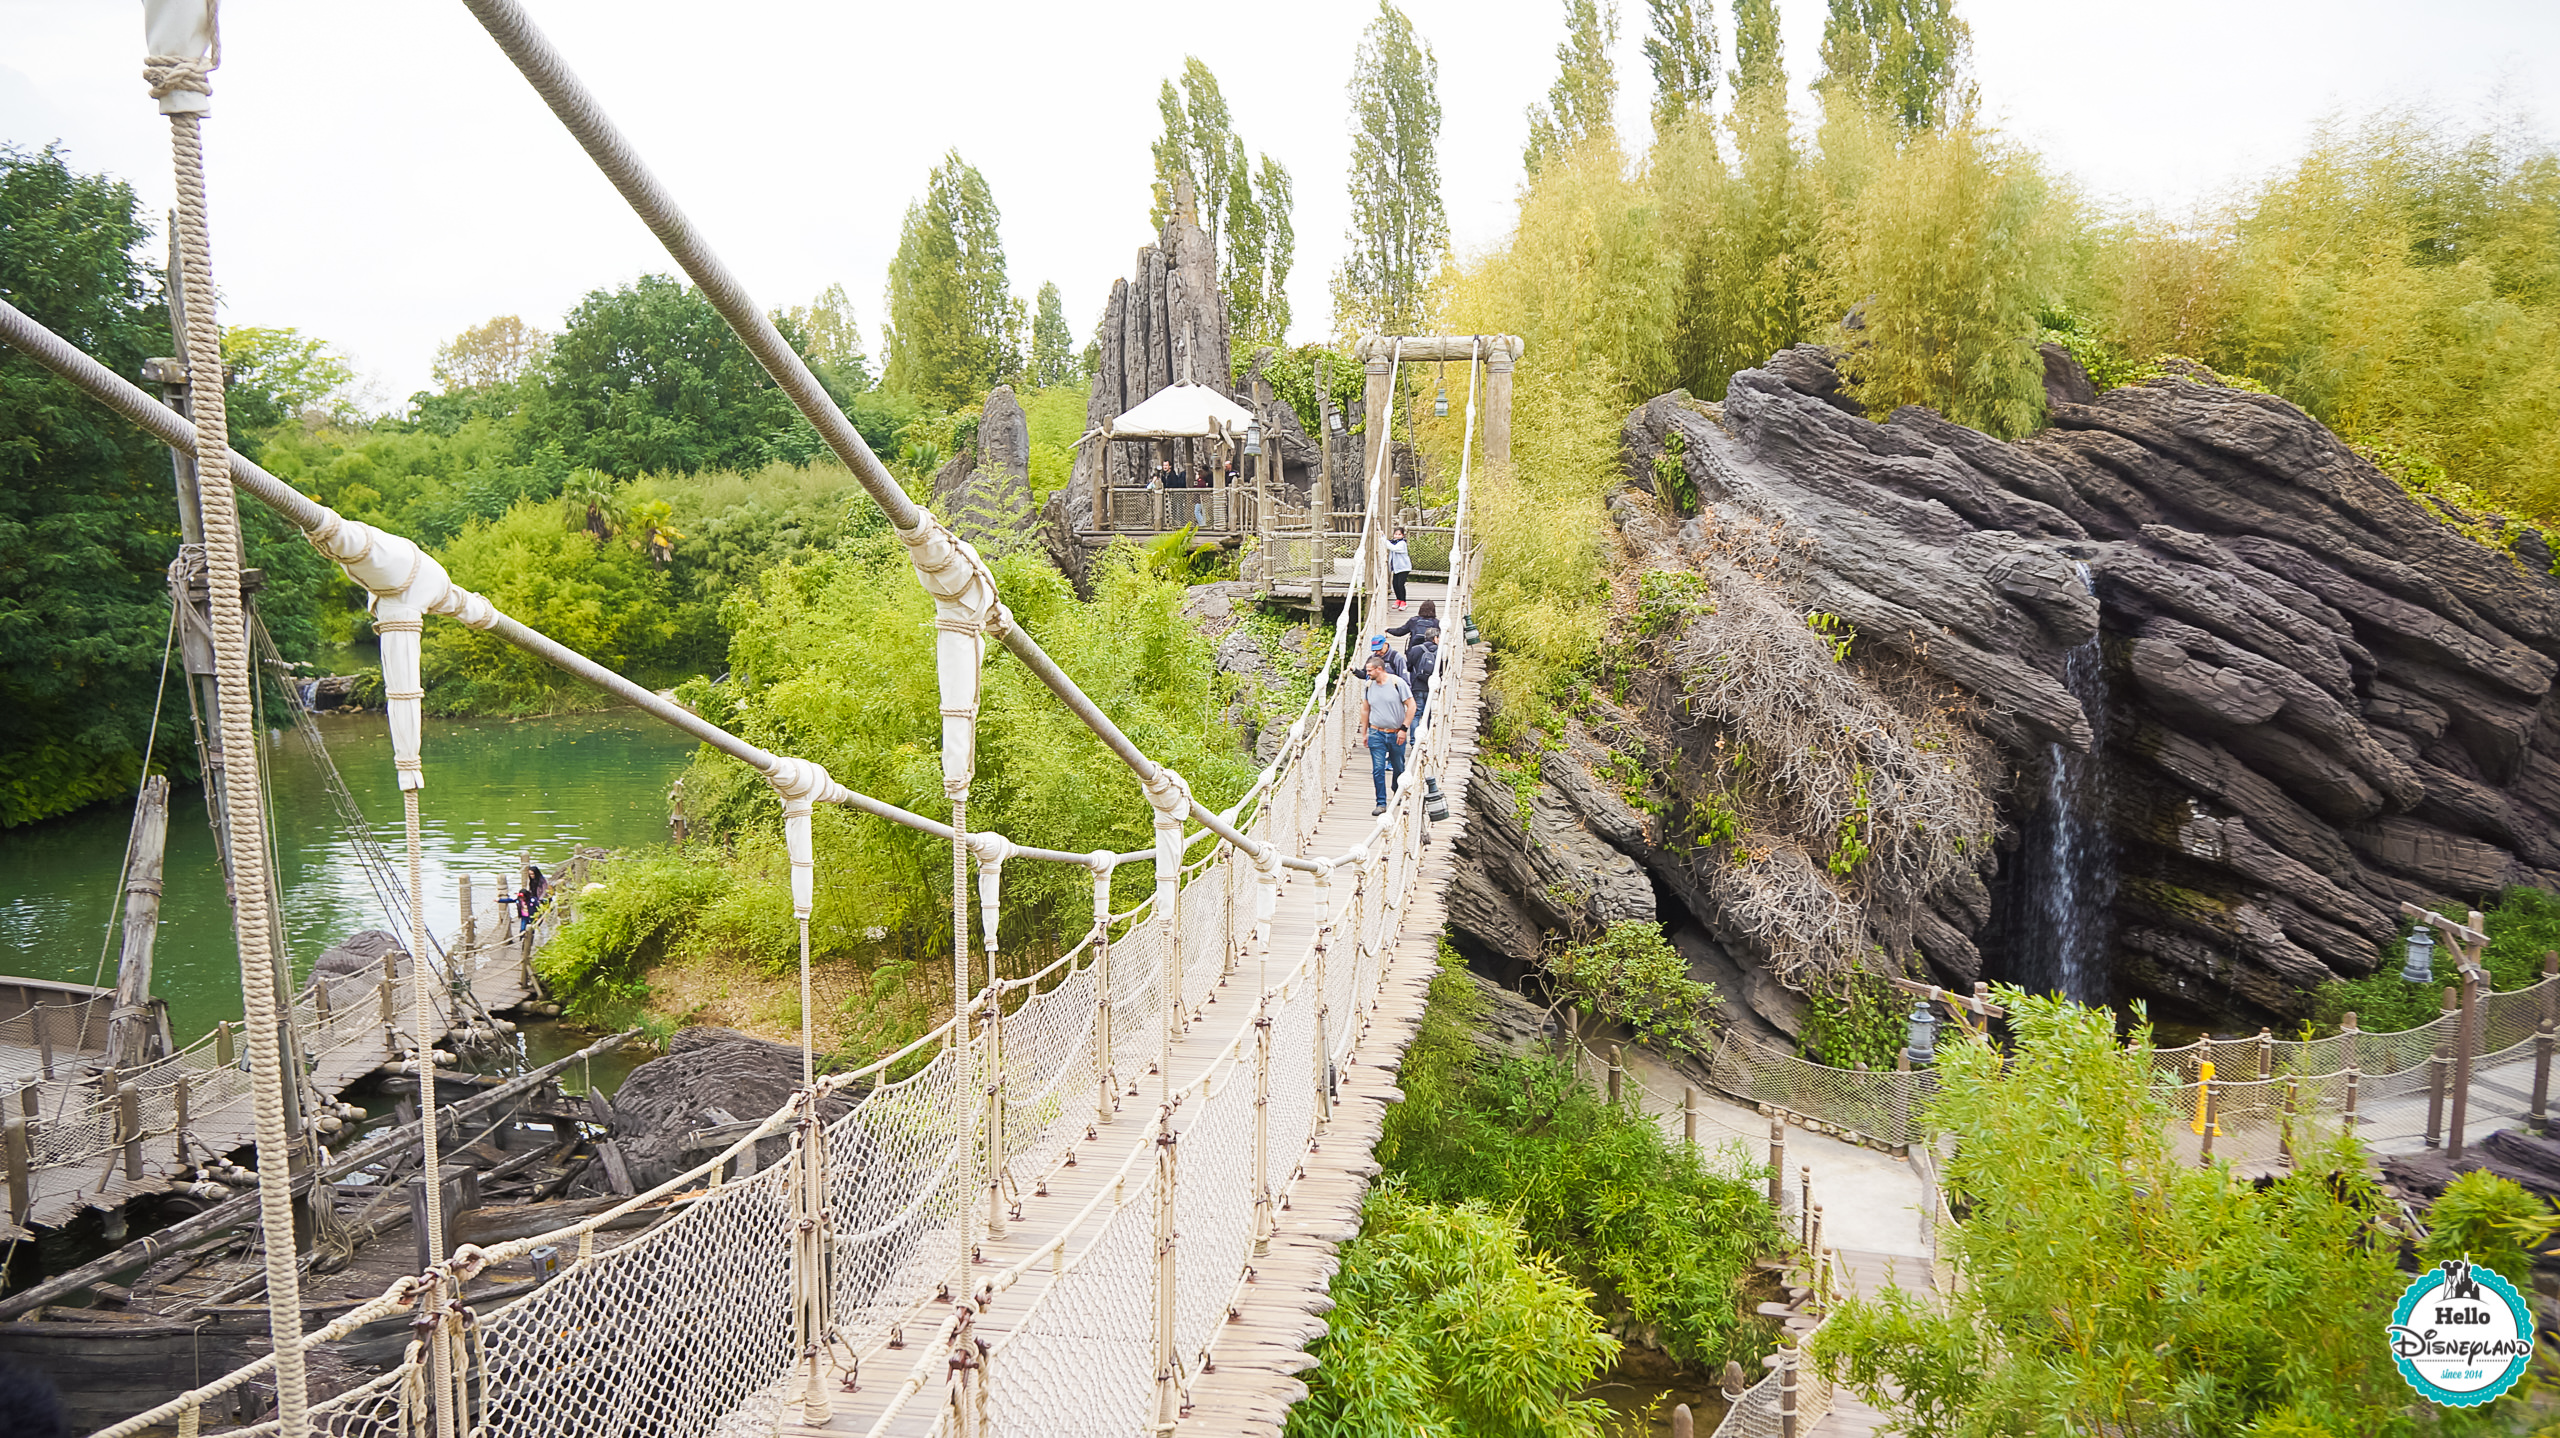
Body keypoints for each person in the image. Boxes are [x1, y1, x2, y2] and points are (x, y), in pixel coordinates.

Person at [1361, 654, 1414, 815]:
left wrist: (1404, 729)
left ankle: (1396, 791)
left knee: (1399, 766)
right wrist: (1364, 732)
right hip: (1376, 732)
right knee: (1378, 768)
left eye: (1370, 670)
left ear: (1379, 669)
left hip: (1396, 733)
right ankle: (1381, 803)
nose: (1367, 673)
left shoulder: (1397, 683)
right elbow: (1365, 709)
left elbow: (1411, 706)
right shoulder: (1369, 686)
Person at [1407, 629, 1439, 732]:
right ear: (1435, 638)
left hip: (1417, 685)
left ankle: (1413, 741)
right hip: (1432, 687)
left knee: (1416, 714)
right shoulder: (1440, 651)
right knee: (1430, 713)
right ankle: (1428, 738)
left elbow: (1409, 667)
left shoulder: (1415, 649)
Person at [1387, 526, 1414, 609]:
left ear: (1402, 535)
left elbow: (1393, 548)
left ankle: (1403, 602)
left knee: (1400, 584)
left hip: (1404, 567)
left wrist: (1383, 540)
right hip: (1397, 568)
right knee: (1395, 584)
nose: (1397, 536)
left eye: (1399, 534)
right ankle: (1398, 599)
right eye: (1396, 534)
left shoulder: (1402, 544)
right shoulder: (1394, 542)